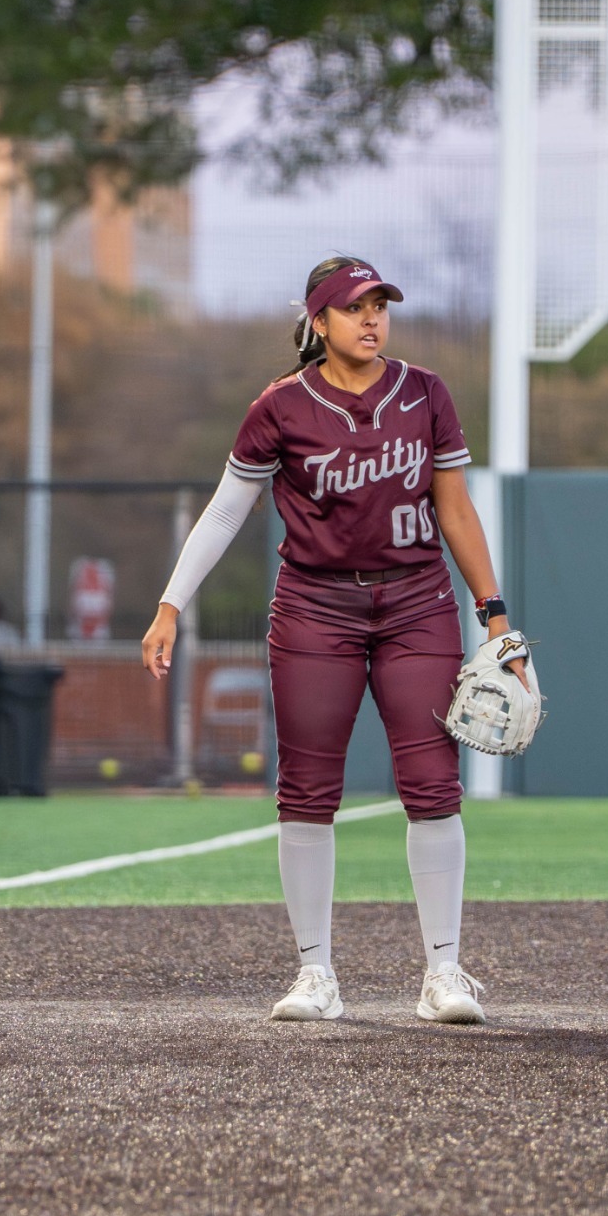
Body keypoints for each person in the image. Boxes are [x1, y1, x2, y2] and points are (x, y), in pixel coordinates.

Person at [141, 255, 524, 1025]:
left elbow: (456, 509)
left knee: (430, 782)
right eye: (354, 307)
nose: (372, 318)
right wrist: (171, 604)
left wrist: (496, 614)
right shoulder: (281, 406)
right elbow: (223, 513)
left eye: (380, 304)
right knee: (308, 789)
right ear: (319, 322)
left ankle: (444, 971)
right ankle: (316, 971)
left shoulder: (425, 393)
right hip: (315, 608)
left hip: (415, 603)